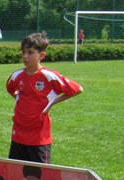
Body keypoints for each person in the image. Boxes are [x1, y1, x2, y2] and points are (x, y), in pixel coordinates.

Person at [6, 33, 83, 164]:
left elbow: (77, 89)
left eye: (30, 52)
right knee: (15, 172)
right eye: (23, 52)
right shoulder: (17, 76)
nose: (25, 56)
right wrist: (20, 99)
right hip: (18, 135)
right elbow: (10, 89)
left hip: (39, 138)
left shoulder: (49, 76)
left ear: (41, 55)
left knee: (41, 174)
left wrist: (52, 102)